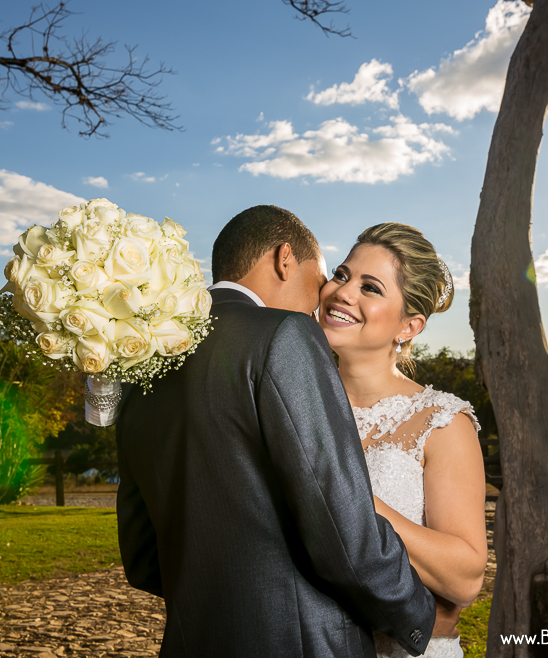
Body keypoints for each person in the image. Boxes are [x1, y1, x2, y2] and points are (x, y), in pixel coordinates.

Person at [115, 206, 436, 657]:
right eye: (325, 276)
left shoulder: (143, 359)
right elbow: (343, 527)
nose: (323, 296)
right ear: (285, 258)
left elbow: (142, 557)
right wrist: (421, 616)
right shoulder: (285, 333)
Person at [319, 223, 488, 658]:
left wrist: (355, 501)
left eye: (370, 287)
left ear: (408, 326)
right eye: (341, 274)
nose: (342, 292)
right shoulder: (294, 402)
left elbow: (465, 579)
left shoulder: (441, 422)